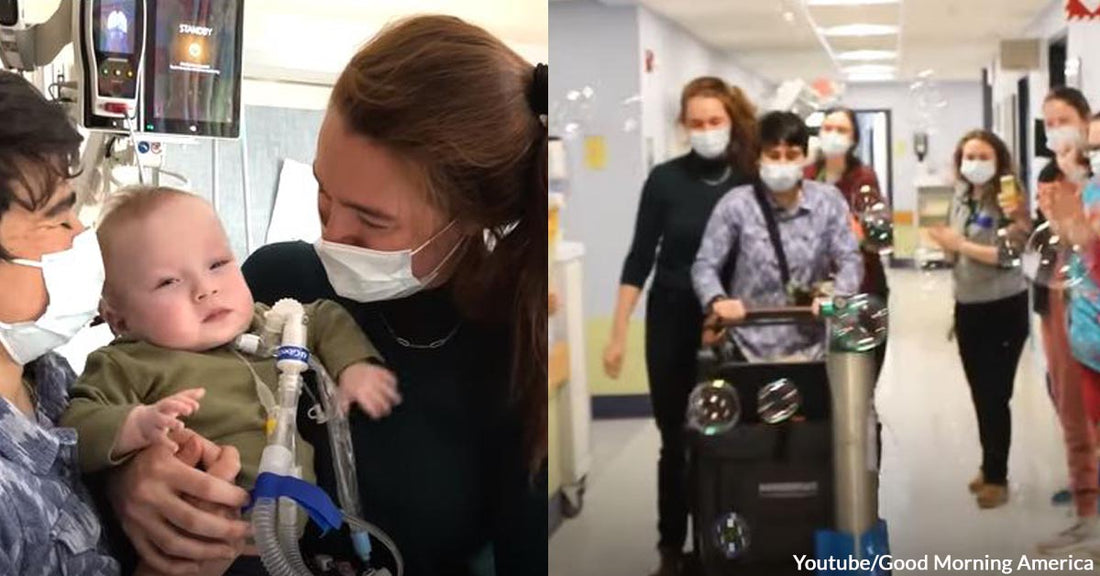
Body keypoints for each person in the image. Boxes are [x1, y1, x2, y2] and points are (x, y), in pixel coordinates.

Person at [108, 15, 548, 576]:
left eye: (371, 219)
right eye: (323, 193)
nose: (332, 235)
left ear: (471, 217)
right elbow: (134, 388)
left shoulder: (525, 362)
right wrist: (129, 475)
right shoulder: (272, 286)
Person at [59, 186, 399, 575]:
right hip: (206, 549)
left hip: (297, 541)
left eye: (218, 263)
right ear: (119, 319)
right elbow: (74, 427)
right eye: (168, 282)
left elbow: (321, 316)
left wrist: (352, 365)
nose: (206, 288)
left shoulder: (267, 324)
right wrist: (133, 426)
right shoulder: (126, 362)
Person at [602, 76, 758, 576]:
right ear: (683, 126)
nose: (707, 130)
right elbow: (638, 258)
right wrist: (618, 331)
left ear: (731, 123)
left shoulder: (750, 179)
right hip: (671, 318)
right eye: (697, 123)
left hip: (730, 320)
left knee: (731, 433)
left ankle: (729, 538)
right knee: (675, 439)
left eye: (715, 122)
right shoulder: (665, 180)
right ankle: (672, 548)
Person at [692, 110, 863, 362]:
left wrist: (838, 296)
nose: (782, 163)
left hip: (813, 347)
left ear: (805, 157)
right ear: (758, 159)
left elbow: (850, 258)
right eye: (773, 155)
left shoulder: (828, 201)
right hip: (748, 346)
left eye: (792, 155)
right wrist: (718, 301)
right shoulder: (736, 205)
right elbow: (705, 265)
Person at [927, 129, 1031, 509]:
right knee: (980, 393)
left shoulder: (1009, 195)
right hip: (967, 306)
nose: (975, 163)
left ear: (998, 160)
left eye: (983, 156)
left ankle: (997, 478)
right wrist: (946, 245)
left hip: (1003, 306)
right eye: (968, 156)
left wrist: (960, 246)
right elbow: (957, 247)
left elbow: (1010, 253)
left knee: (995, 394)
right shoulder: (960, 195)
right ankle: (989, 466)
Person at [804, 107, 890, 377]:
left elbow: (879, 236)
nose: (832, 135)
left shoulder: (863, 177)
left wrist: (860, 230)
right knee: (822, 371)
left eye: (841, 130)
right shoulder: (806, 175)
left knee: (863, 370)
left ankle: (866, 413)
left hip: (862, 285)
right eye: (827, 128)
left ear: (853, 139)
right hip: (817, 286)